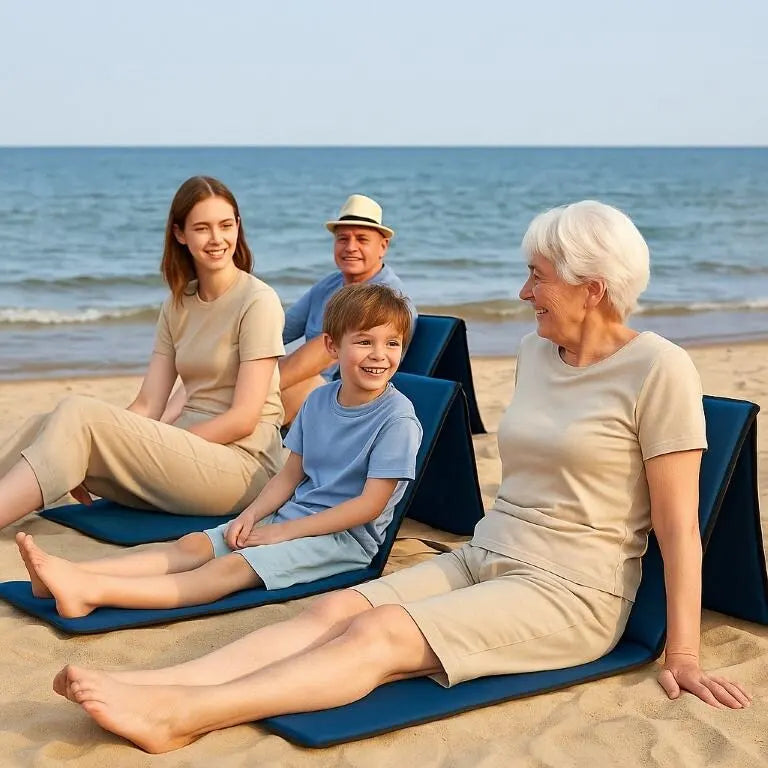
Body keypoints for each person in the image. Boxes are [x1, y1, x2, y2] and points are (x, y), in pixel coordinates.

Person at [52, 201, 750, 755]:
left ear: (592, 288)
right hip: (487, 551)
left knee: (377, 634)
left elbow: (678, 527)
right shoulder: (537, 353)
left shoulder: (658, 369)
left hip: (571, 590)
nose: (523, 291)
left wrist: (684, 653)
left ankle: (184, 715)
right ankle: (156, 683)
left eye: (538, 276)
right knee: (332, 612)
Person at [16, 284, 422, 616]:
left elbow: (369, 506)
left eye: (392, 343)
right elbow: (289, 475)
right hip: (292, 515)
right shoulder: (318, 401)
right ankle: (72, 573)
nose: (379, 355)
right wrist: (250, 516)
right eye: (364, 341)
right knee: (192, 545)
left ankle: (90, 592)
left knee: (229, 568)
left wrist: (282, 532)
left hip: (343, 540)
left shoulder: (397, 419)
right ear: (332, 346)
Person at [0, 176, 285, 530]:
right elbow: (148, 404)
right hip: (186, 454)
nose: (216, 238)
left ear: (238, 227)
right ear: (180, 234)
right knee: (50, 423)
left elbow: (244, 418)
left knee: (78, 413)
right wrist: (92, 443)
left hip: (242, 464)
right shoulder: (177, 305)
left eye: (226, 225)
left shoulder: (258, 301)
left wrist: (163, 444)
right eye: (202, 228)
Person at [161, 193, 416, 425]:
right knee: (230, 360)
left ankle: (219, 417)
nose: (350, 247)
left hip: (350, 398)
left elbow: (333, 354)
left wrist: (253, 385)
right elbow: (276, 330)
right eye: (342, 239)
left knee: (314, 365)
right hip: (307, 388)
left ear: (383, 246)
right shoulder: (328, 286)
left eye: (362, 239)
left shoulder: (389, 297)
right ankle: (176, 418)